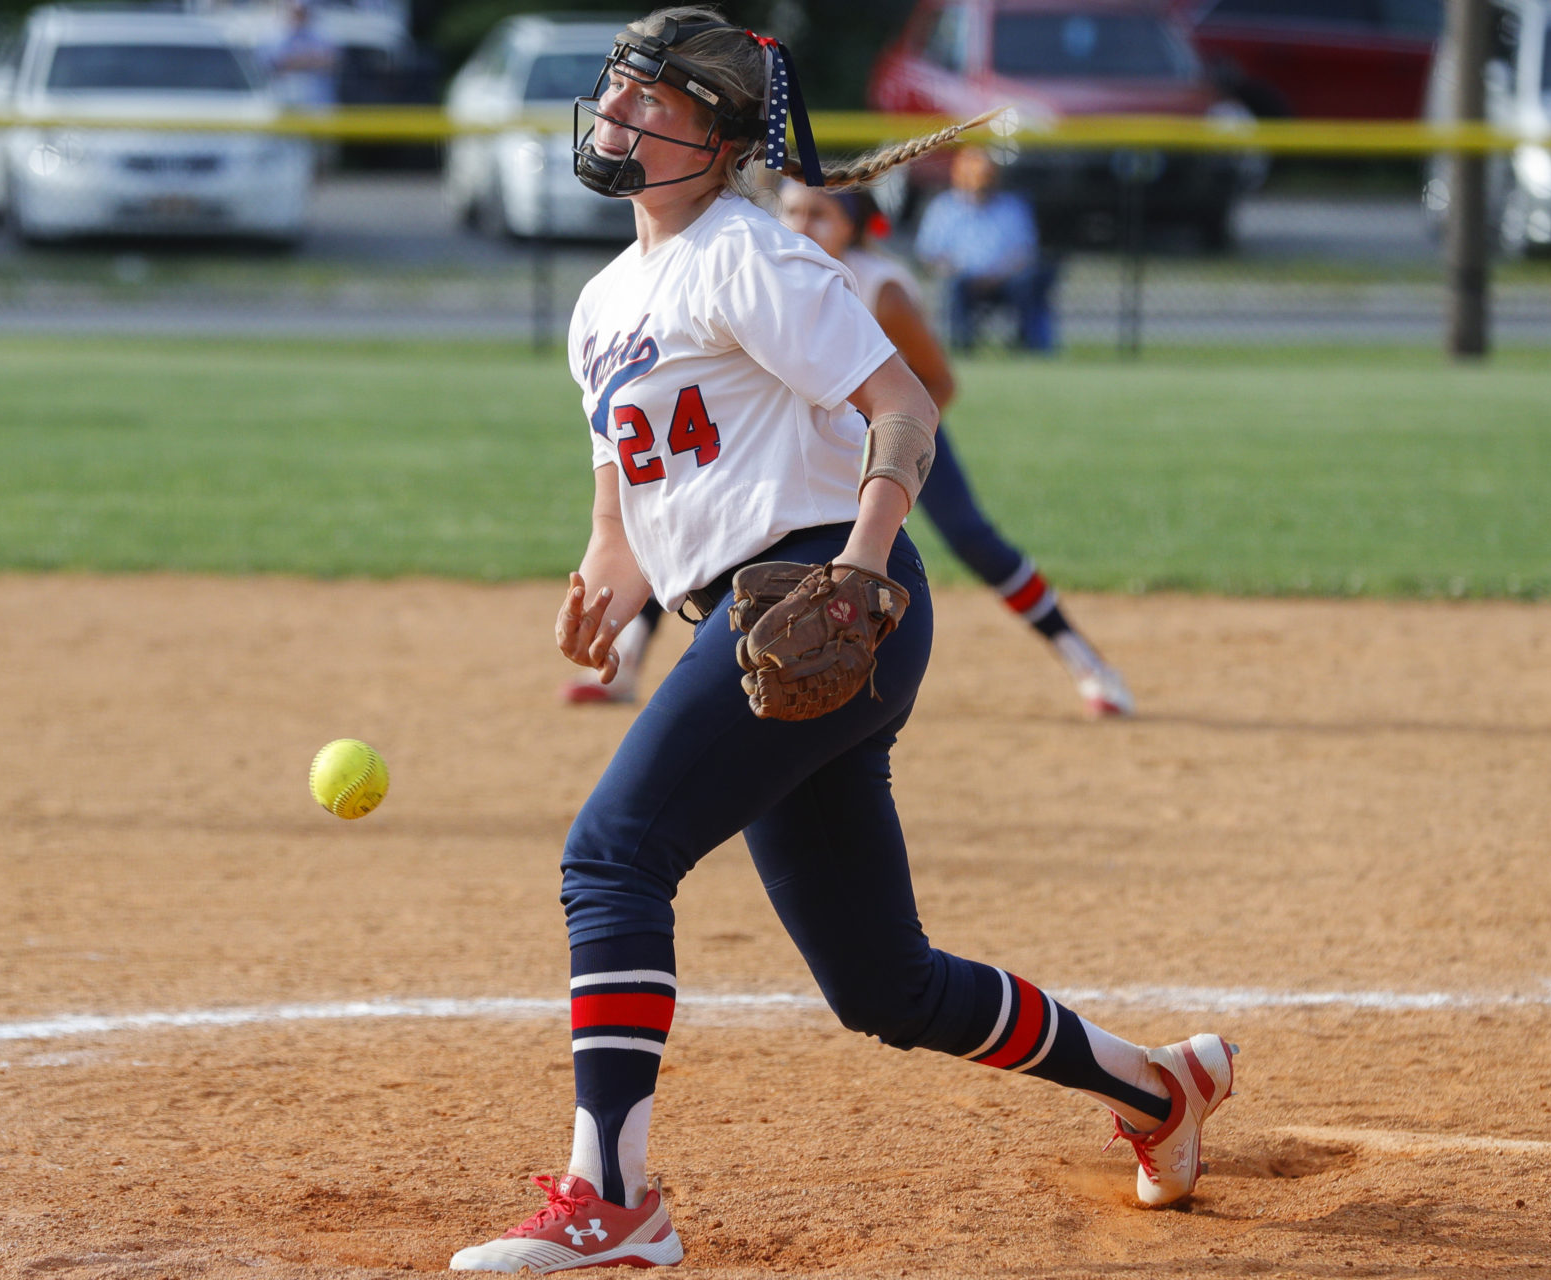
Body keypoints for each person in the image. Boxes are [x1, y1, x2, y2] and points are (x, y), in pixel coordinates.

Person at [451, 8, 1233, 1273]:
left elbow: (904, 409)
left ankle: (615, 1196)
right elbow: (624, 501)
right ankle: (1160, 1088)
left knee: (612, 854)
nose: (614, 110)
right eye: (615, 87)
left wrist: (861, 565)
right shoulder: (603, 303)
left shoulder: (748, 257)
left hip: (830, 590)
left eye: (649, 97)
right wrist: (601, 576)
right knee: (886, 985)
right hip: (756, 622)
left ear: (711, 137)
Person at [561, 178, 1135, 716]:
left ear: (854, 229)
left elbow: (934, 385)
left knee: (970, 537)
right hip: (803, 446)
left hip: (892, 434)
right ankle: (630, 661)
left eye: (821, 214)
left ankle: (1087, 663)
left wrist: (871, 444)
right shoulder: (763, 273)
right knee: (706, 519)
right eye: (791, 210)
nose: (802, 222)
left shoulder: (878, 288)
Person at [915, 145, 1056, 354]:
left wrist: (996, 276)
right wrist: (955, 269)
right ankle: (961, 347)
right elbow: (928, 254)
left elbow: (1025, 253)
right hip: (963, 280)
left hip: (1006, 281)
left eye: (985, 178)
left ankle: (1032, 347)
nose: (980, 186)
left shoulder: (1012, 207)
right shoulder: (943, 208)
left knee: (1029, 281)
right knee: (954, 286)